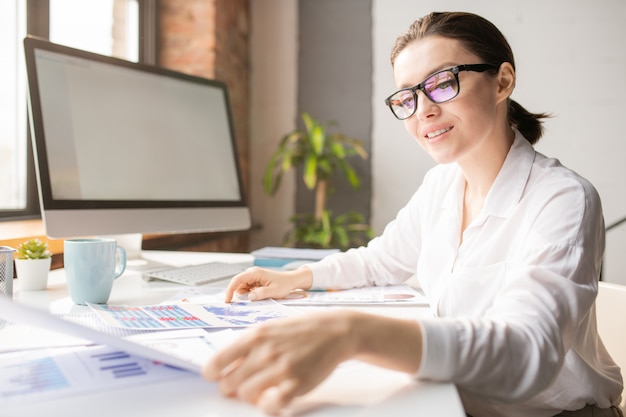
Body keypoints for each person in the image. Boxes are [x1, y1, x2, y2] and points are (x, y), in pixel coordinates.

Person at [201, 11, 624, 417]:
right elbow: (380, 259)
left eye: (442, 83)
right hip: (453, 402)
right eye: (408, 96)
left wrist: (353, 334)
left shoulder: (563, 199)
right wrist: (297, 278)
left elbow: (526, 351)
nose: (423, 109)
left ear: (502, 82)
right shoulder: (441, 185)